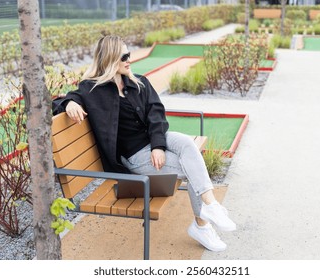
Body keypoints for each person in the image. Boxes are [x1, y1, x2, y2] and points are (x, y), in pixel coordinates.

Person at [62, 35, 236, 252]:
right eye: (124, 56)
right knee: (192, 168)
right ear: (110, 59)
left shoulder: (139, 82)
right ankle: (203, 223)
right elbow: (63, 99)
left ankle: (209, 206)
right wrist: (69, 102)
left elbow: (157, 115)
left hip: (152, 143)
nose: (129, 60)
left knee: (186, 144)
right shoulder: (92, 90)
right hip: (135, 157)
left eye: (129, 55)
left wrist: (157, 146)